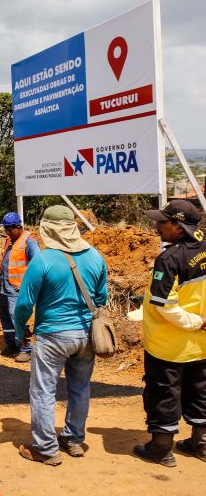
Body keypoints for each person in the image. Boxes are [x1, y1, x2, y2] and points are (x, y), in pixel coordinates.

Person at [14, 205, 107, 465]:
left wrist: (21, 331)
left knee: (44, 390)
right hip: (87, 335)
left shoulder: (43, 260)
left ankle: (45, 449)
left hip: (52, 335)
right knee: (80, 388)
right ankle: (74, 439)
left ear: (47, 228)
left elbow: (24, 304)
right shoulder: (95, 256)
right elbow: (101, 299)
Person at [134, 200, 206, 467]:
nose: (156, 226)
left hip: (169, 346)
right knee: (200, 392)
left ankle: (161, 449)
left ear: (178, 227)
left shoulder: (170, 258)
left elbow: (164, 304)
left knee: (163, 393)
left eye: (162, 222)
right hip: (201, 346)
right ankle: (200, 444)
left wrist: (196, 321)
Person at [0, 211, 41, 363]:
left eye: (9, 229)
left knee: (18, 318)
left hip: (17, 289)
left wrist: (26, 285)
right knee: (5, 317)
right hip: (5, 287)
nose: (6, 232)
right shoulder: (10, 241)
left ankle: (26, 348)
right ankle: (12, 345)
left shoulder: (30, 243)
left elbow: (37, 266)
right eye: (5, 229)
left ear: (18, 227)